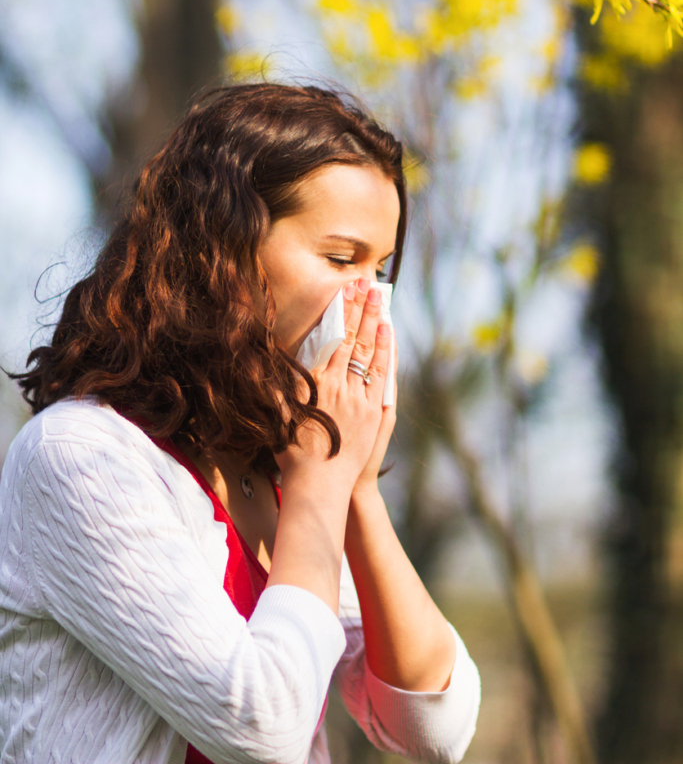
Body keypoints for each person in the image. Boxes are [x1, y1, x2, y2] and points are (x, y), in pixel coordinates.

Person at [0, 82, 480, 764]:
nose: (368, 300)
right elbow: (261, 727)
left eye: (382, 270)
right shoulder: (81, 457)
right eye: (341, 259)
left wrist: (356, 489)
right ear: (221, 253)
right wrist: (321, 486)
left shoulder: (288, 468)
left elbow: (435, 729)